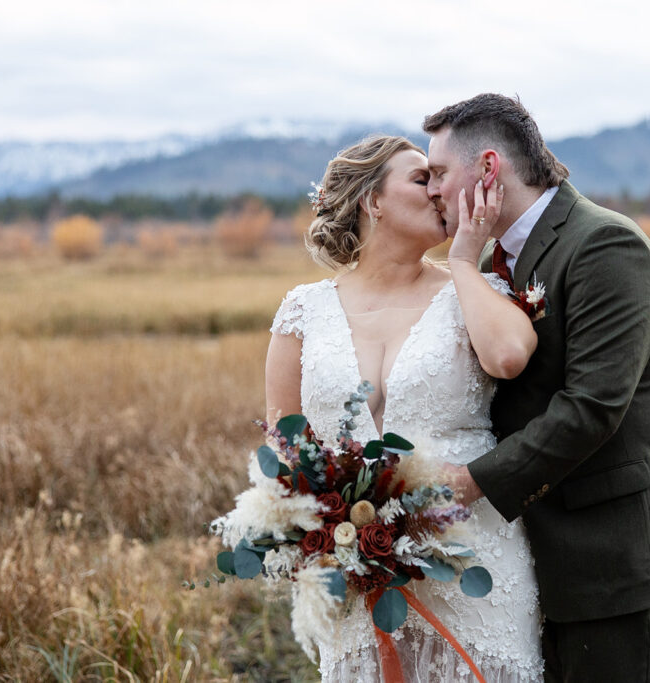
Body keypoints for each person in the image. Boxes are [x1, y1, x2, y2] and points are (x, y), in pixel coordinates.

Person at [425, 94, 650, 683]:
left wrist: (471, 483)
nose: (432, 191)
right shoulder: (490, 262)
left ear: (488, 168)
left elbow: (592, 408)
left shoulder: (605, 245)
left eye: (441, 174)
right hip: (532, 558)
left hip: (613, 555)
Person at [264, 134, 546, 682]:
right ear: (373, 200)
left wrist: (465, 258)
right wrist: (323, 532)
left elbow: (510, 356)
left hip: (472, 559)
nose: (441, 191)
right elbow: (283, 445)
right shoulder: (304, 311)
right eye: (423, 179)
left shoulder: (476, 290)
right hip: (353, 567)